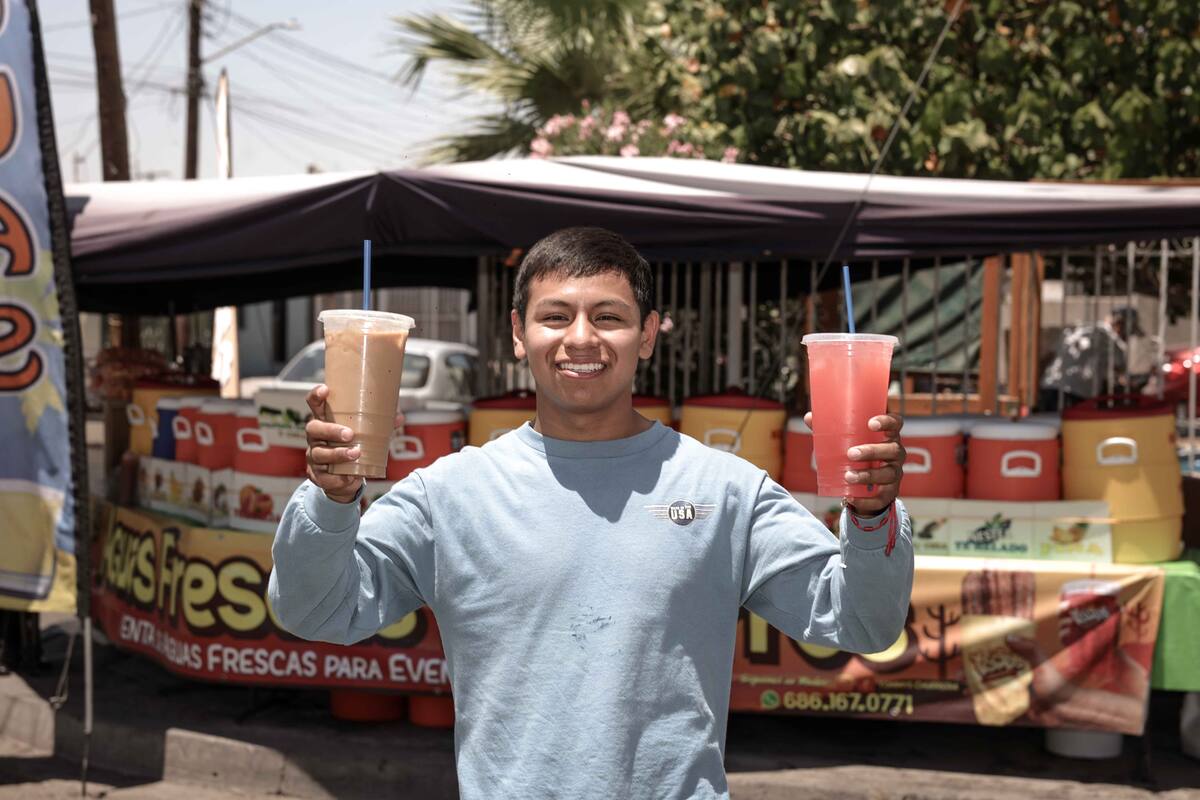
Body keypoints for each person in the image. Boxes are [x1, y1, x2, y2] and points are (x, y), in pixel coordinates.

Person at [268, 227, 914, 800]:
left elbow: (860, 622)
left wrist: (872, 513)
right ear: (519, 334)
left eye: (608, 316)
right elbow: (315, 610)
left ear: (649, 334)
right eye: (556, 316)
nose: (581, 338)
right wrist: (331, 500)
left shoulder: (727, 490)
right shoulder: (452, 492)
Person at [1040, 306, 1144, 410]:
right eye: (1128, 334)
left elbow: (1048, 357)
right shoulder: (1113, 343)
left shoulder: (1079, 330)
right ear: (1120, 325)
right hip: (1075, 395)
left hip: (1048, 387)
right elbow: (1123, 378)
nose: (1127, 338)